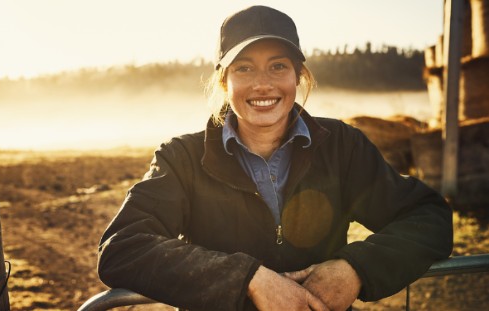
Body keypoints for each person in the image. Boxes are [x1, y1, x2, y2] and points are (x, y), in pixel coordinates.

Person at [98, 5, 453, 311]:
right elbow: (123, 247)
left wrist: (355, 268)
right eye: (244, 68)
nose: (262, 85)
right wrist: (247, 279)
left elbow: (428, 216)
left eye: (278, 66)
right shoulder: (183, 158)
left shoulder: (341, 146)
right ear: (224, 81)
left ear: (299, 75)